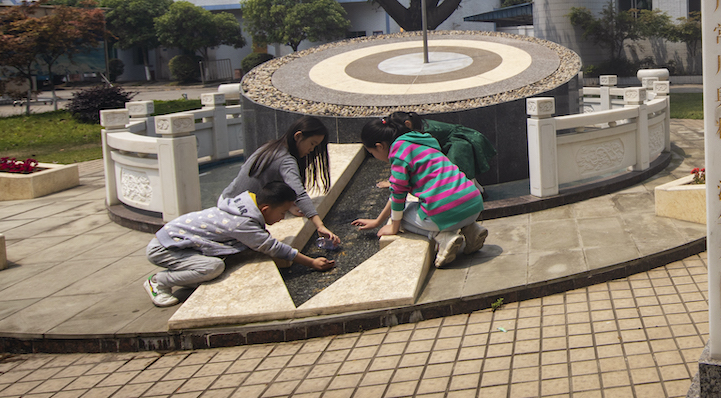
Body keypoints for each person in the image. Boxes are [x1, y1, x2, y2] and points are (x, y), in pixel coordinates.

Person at [143, 180, 335, 307]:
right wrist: (311, 262)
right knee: (214, 267)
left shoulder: (246, 206)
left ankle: (186, 277)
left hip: (178, 243)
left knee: (214, 266)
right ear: (265, 208)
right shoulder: (242, 222)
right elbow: (272, 247)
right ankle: (158, 282)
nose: (282, 217)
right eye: (282, 212)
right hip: (165, 248)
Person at [353, 119, 488, 268]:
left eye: (372, 153)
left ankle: (443, 237)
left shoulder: (398, 155)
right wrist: (378, 221)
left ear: (380, 146)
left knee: (400, 217)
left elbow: (398, 196)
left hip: (447, 213)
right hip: (474, 204)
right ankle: (472, 229)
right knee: (434, 205)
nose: (375, 157)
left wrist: (394, 227)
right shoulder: (422, 142)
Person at [220, 115, 340, 247]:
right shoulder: (285, 160)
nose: (312, 150)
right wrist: (319, 225)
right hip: (237, 213)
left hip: (226, 200)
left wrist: (290, 206)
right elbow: (299, 192)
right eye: (312, 144)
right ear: (298, 136)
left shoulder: (270, 147)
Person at [372, 111, 496, 186]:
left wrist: (397, 182)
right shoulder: (419, 126)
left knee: (460, 175)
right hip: (459, 142)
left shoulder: (424, 134)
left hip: (460, 144)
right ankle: (478, 193)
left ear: (407, 125)